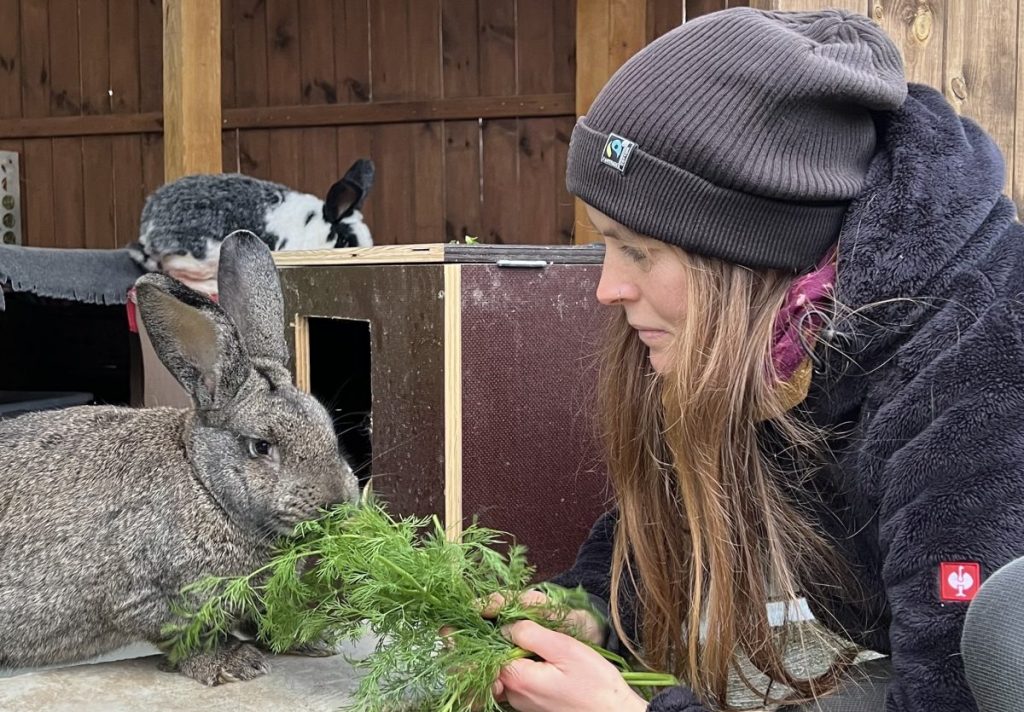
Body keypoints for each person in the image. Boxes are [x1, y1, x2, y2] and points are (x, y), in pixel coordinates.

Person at [484, 7, 1024, 712]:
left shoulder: (977, 372)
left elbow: (956, 695)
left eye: (640, 251)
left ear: (749, 255)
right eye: (605, 243)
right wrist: (589, 613)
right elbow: (676, 505)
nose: (607, 287)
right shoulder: (786, 328)